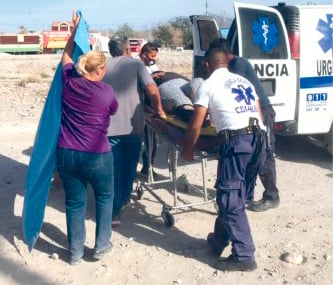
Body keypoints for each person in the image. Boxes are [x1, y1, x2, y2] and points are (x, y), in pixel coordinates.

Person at [182, 48, 266, 272]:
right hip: (259, 141)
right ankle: (219, 241)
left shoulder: (207, 85)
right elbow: (258, 112)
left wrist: (187, 150)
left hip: (238, 142)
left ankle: (245, 256)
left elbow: (195, 124)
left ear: (207, 65)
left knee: (230, 200)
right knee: (234, 196)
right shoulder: (243, 81)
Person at [56, 10, 118, 265]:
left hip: (67, 153)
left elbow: (66, 56)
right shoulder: (106, 92)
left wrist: (74, 31)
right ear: (100, 69)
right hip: (98, 155)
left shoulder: (69, 81)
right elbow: (112, 111)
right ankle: (101, 247)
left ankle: (75, 254)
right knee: (104, 198)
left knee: (74, 203)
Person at [208, 38, 280, 212]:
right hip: (252, 112)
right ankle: (246, 195)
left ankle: (272, 196)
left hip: (261, 111)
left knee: (264, 154)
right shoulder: (232, 65)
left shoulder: (238, 64)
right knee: (251, 156)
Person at [103, 35, 165, 225]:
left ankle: (115, 209)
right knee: (129, 166)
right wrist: (159, 109)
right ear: (127, 49)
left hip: (108, 128)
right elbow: (152, 89)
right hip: (133, 128)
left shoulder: (102, 67)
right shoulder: (136, 65)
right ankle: (120, 203)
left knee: (114, 169)